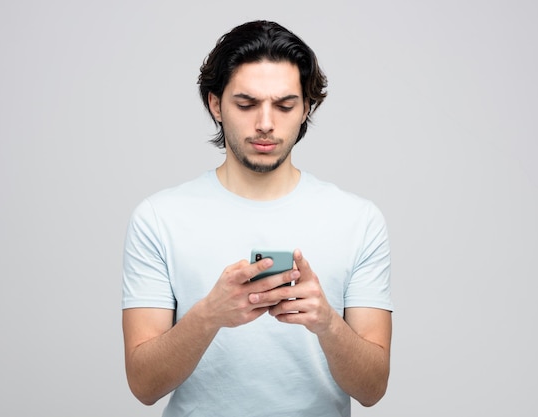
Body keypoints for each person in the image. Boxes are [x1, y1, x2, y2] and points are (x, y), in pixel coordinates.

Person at [122, 20, 393, 416]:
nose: (265, 123)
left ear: (306, 109)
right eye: (246, 104)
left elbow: (373, 389)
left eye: (284, 105)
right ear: (215, 104)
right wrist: (209, 315)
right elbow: (144, 386)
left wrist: (327, 323)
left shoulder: (359, 220)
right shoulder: (159, 218)